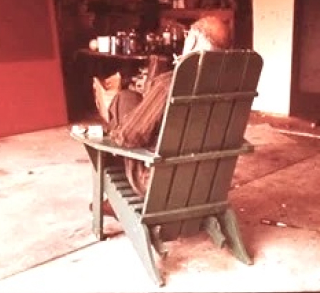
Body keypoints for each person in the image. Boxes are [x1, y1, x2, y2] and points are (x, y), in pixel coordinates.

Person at [99, 15, 233, 202]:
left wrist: (111, 134)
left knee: (124, 99)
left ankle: (113, 200)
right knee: (133, 99)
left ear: (193, 40)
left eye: (188, 36)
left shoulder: (171, 83)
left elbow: (129, 137)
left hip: (159, 182)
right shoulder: (231, 87)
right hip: (206, 182)